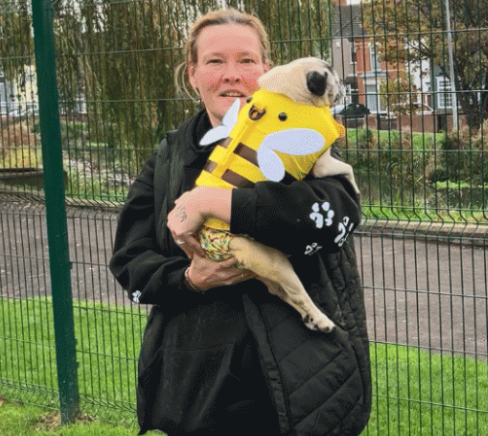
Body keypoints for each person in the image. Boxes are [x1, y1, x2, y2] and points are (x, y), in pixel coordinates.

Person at [110, 8, 371, 436]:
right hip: (199, 390)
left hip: (301, 386)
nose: (232, 75)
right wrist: (191, 278)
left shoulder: (299, 142)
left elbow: (338, 218)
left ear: (267, 71)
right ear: (192, 74)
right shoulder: (171, 158)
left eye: (246, 61)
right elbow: (130, 261)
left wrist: (219, 202)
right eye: (215, 62)